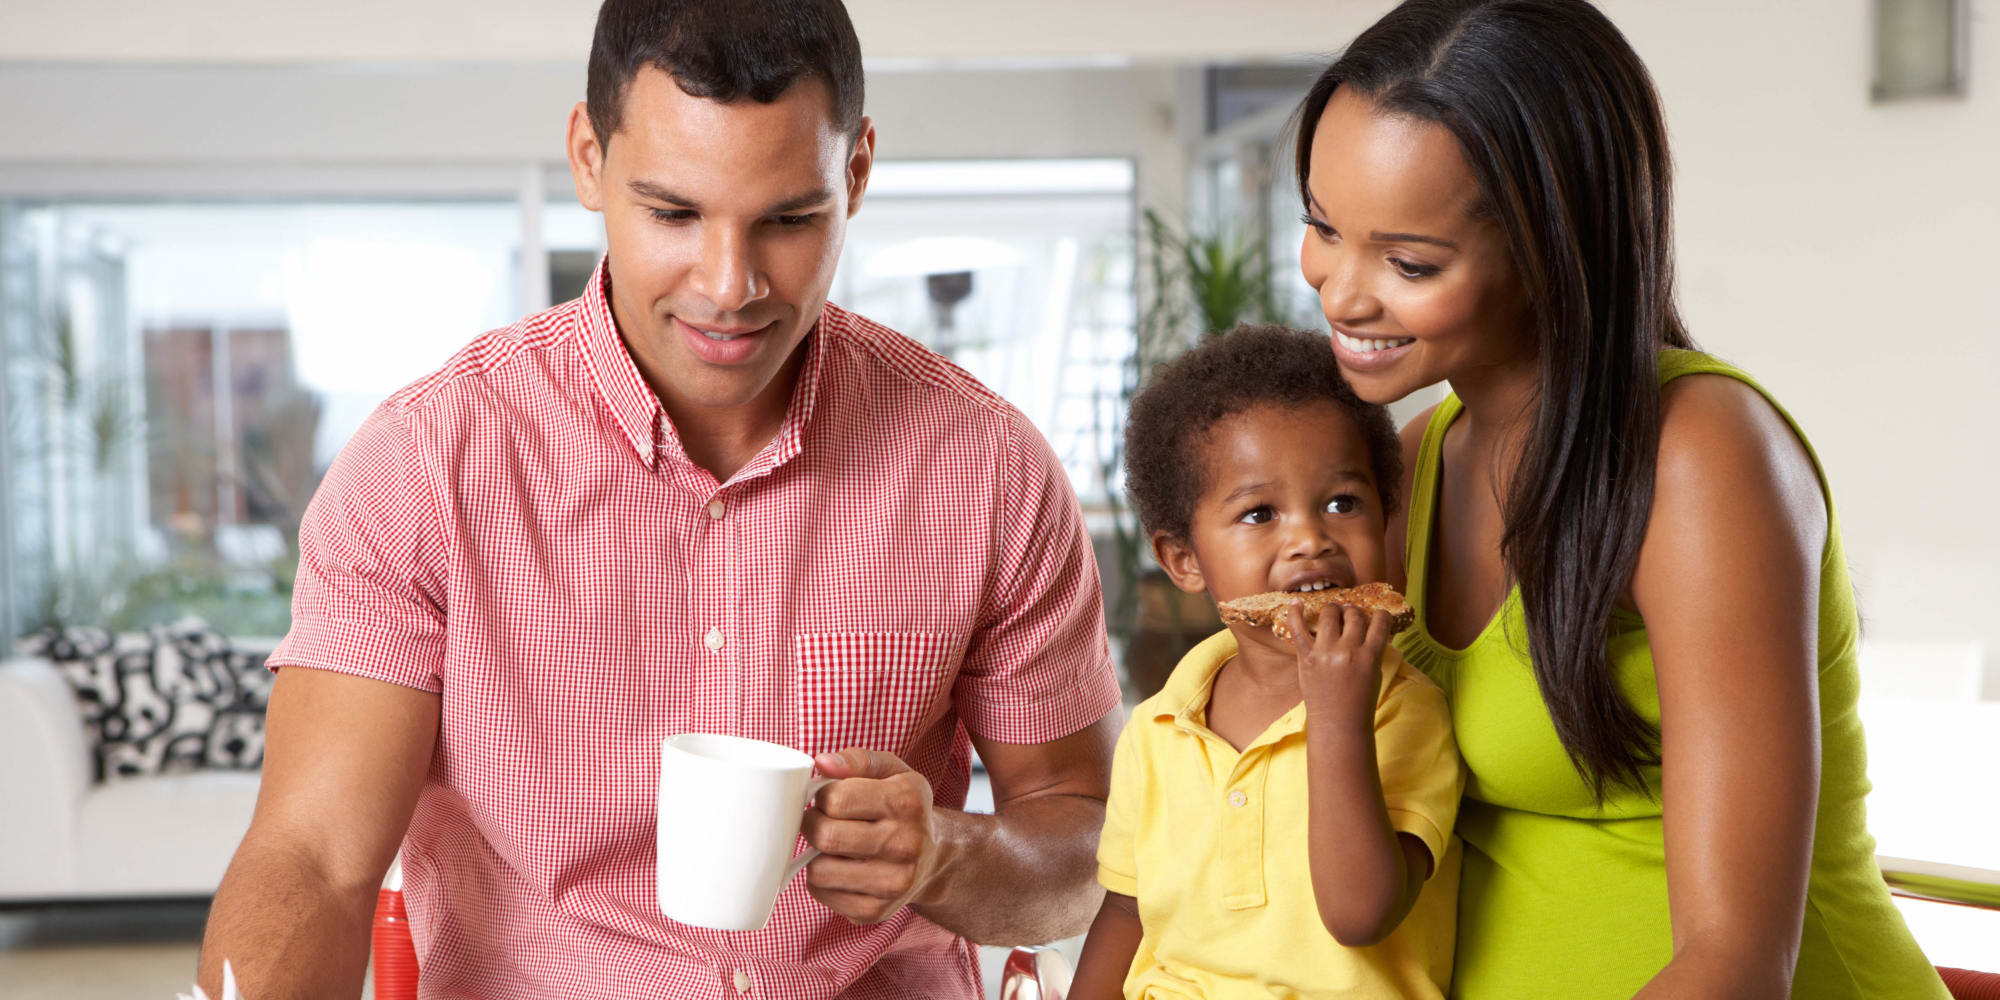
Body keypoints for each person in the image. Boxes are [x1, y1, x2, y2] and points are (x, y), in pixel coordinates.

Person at [195, 1, 1123, 996]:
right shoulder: (424, 466)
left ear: (854, 171)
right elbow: (316, 860)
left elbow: (1087, 855)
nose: (728, 286)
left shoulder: (986, 467)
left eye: (788, 219)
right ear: (588, 158)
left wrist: (942, 853)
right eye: (674, 213)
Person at [1291, 1, 1949, 996]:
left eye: (1407, 262)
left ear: (1552, 243)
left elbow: (1731, 964)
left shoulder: (1696, 455)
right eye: (1320, 226)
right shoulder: (1413, 463)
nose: (1340, 291)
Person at [1069, 326, 1463, 1000]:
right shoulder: (1159, 726)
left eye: (1343, 503)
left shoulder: (1401, 707)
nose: (1310, 539)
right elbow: (1128, 913)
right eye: (1259, 514)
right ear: (1184, 561)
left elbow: (1361, 914)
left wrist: (1339, 714)